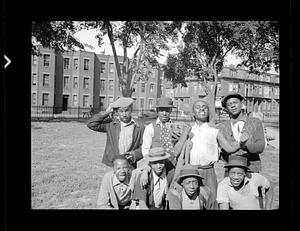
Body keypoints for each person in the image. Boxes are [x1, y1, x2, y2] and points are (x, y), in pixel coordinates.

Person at [174, 98, 245, 199]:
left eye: (205, 107)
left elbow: (229, 148)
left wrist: (242, 143)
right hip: (191, 171)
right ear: (193, 113)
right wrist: (185, 134)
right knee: (192, 201)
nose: (201, 109)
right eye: (198, 107)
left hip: (208, 171)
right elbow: (176, 152)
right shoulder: (188, 129)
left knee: (211, 199)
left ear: (208, 112)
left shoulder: (214, 130)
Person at [87, 97, 145, 169]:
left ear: (131, 110)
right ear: (117, 112)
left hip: (130, 165)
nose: (124, 114)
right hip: (114, 164)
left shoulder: (140, 126)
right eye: (121, 111)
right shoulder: (111, 124)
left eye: (126, 111)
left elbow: (145, 146)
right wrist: (106, 112)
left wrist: (134, 155)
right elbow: (91, 124)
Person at [217, 93, 266, 174]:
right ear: (226, 108)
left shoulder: (255, 122)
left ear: (241, 104)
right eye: (229, 104)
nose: (232, 106)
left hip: (251, 169)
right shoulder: (222, 127)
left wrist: (247, 144)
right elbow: (223, 149)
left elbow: (260, 147)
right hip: (231, 170)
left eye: (235, 102)